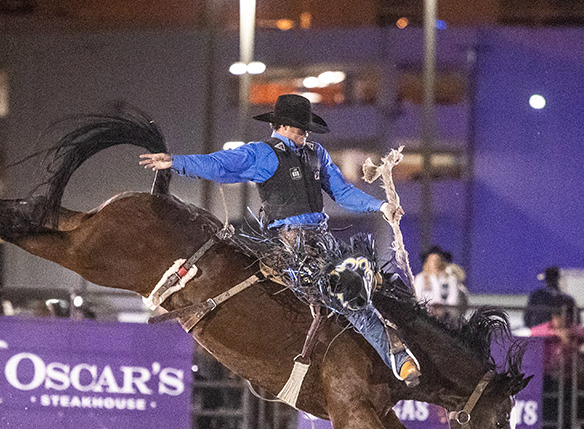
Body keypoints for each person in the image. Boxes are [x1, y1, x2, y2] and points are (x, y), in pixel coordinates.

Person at [139, 93, 420, 385]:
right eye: (300, 130)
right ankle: (399, 360)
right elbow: (220, 164)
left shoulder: (316, 153)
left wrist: (380, 206)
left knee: (377, 282)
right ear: (282, 126)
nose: (305, 135)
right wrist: (176, 162)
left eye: (306, 130)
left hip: (323, 241)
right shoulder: (262, 153)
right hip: (291, 246)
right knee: (349, 293)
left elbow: (342, 191)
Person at [530, 307, 584, 429]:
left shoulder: (577, 332)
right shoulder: (544, 330)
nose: (560, 320)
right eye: (558, 316)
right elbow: (534, 334)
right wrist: (558, 335)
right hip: (547, 380)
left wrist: (568, 336)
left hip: (569, 381)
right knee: (547, 419)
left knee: (565, 421)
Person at [413, 245, 467, 322]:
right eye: (432, 261)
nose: (435, 263)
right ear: (427, 263)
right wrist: (428, 308)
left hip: (446, 315)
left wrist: (444, 309)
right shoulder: (420, 278)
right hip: (426, 315)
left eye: (437, 260)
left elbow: (453, 298)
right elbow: (417, 297)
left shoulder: (450, 278)